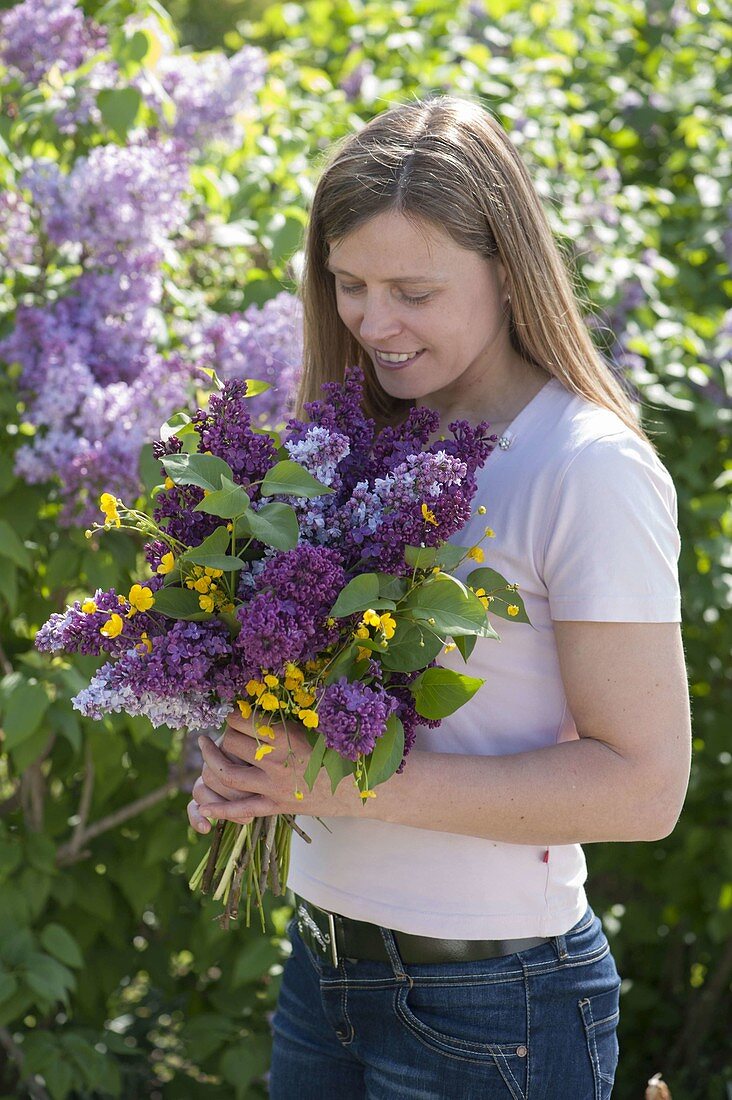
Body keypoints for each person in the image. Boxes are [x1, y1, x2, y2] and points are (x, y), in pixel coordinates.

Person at [187, 94, 691, 1099]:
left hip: (495, 1002)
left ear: (506, 270)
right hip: (323, 968)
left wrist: (331, 780)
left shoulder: (583, 466)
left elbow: (644, 788)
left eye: (413, 289)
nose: (375, 322)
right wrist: (248, 749)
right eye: (349, 283)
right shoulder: (353, 441)